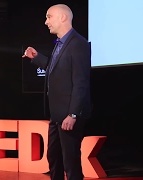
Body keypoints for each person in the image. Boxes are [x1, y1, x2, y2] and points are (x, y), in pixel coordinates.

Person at [22, 4, 91, 180]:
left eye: (49, 17)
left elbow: (81, 83)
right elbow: (55, 68)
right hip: (56, 115)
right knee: (54, 158)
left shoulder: (78, 44)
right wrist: (37, 58)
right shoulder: (60, 43)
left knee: (71, 162)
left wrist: (73, 114)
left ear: (63, 17)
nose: (46, 22)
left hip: (69, 115)